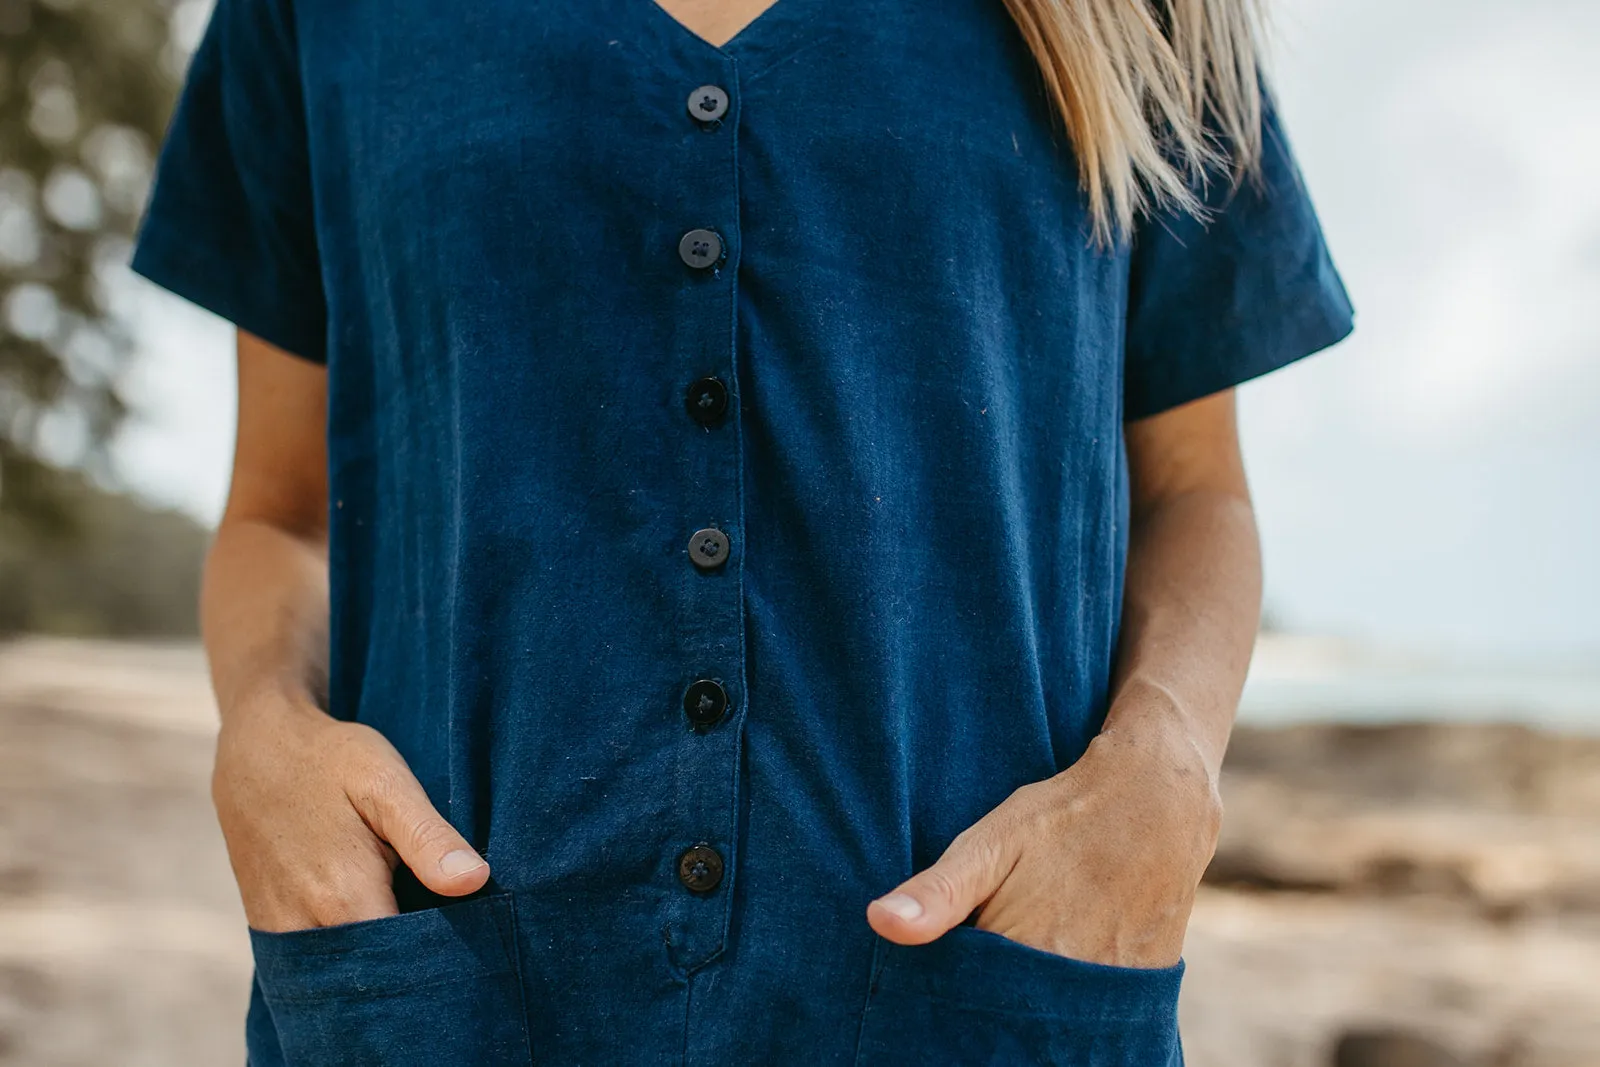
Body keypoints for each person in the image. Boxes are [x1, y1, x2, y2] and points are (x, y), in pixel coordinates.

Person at [129, 0, 1354, 1063]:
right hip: (441, 999)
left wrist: (1167, 766)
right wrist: (266, 735)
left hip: (991, 994)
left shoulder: (1150, 15)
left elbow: (1197, 489)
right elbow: (279, 512)